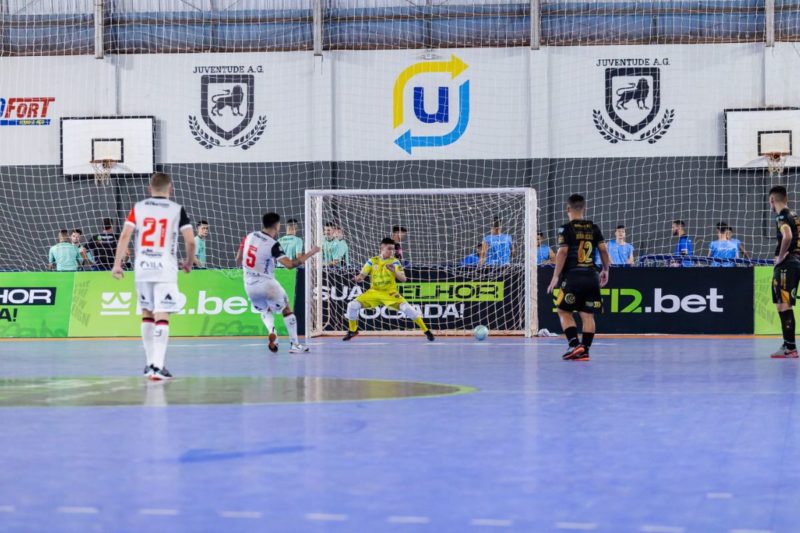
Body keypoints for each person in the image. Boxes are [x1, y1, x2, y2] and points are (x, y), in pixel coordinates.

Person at [112, 172, 196, 380]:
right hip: (164, 268)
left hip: (142, 268)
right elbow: (191, 241)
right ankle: (158, 366)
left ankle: (150, 364)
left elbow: (124, 236)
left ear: (149, 189)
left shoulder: (138, 208)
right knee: (162, 314)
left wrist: (117, 264)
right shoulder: (177, 210)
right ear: (171, 188)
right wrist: (188, 261)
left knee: (147, 313)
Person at [242, 212, 320, 354]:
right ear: (277, 226)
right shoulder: (273, 244)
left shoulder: (250, 235)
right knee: (286, 310)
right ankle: (295, 345)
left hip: (248, 285)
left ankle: (272, 332)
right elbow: (290, 265)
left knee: (265, 310)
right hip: (266, 284)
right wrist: (311, 252)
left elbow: (239, 256)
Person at [546, 194, 610, 361]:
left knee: (563, 310)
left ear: (568, 209)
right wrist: (606, 270)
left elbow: (562, 252)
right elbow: (603, 250)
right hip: (592, 276)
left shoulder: (565, 229)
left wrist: (555, 276)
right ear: (584, 209)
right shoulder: (594, 228)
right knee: (588, 315)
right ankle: (585, 350)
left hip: (573, 276)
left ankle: (574, 345)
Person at [343, 238, 434, 342]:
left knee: (408, 309)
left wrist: (394, 271)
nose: (392, 251)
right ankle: (353, 330)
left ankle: (427, 331)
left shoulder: (395, 262)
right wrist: (357, 278)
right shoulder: (372, 260)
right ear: (382, 248)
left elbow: (403, 279)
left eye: (393, 249)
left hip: (390, 293)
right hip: (374, 292)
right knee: (352, 305)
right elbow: (362, 275)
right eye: (389, 249)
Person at [767, 186, 800, 358]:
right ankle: (789, 344)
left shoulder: (781, 216)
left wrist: (780, 257)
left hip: (787, 265)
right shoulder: (794, 215)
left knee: (784, 305)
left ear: (772, 199)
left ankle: (790, 348)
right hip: (795, 263)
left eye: (769, 201)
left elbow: (786, 236)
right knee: (783, 304)